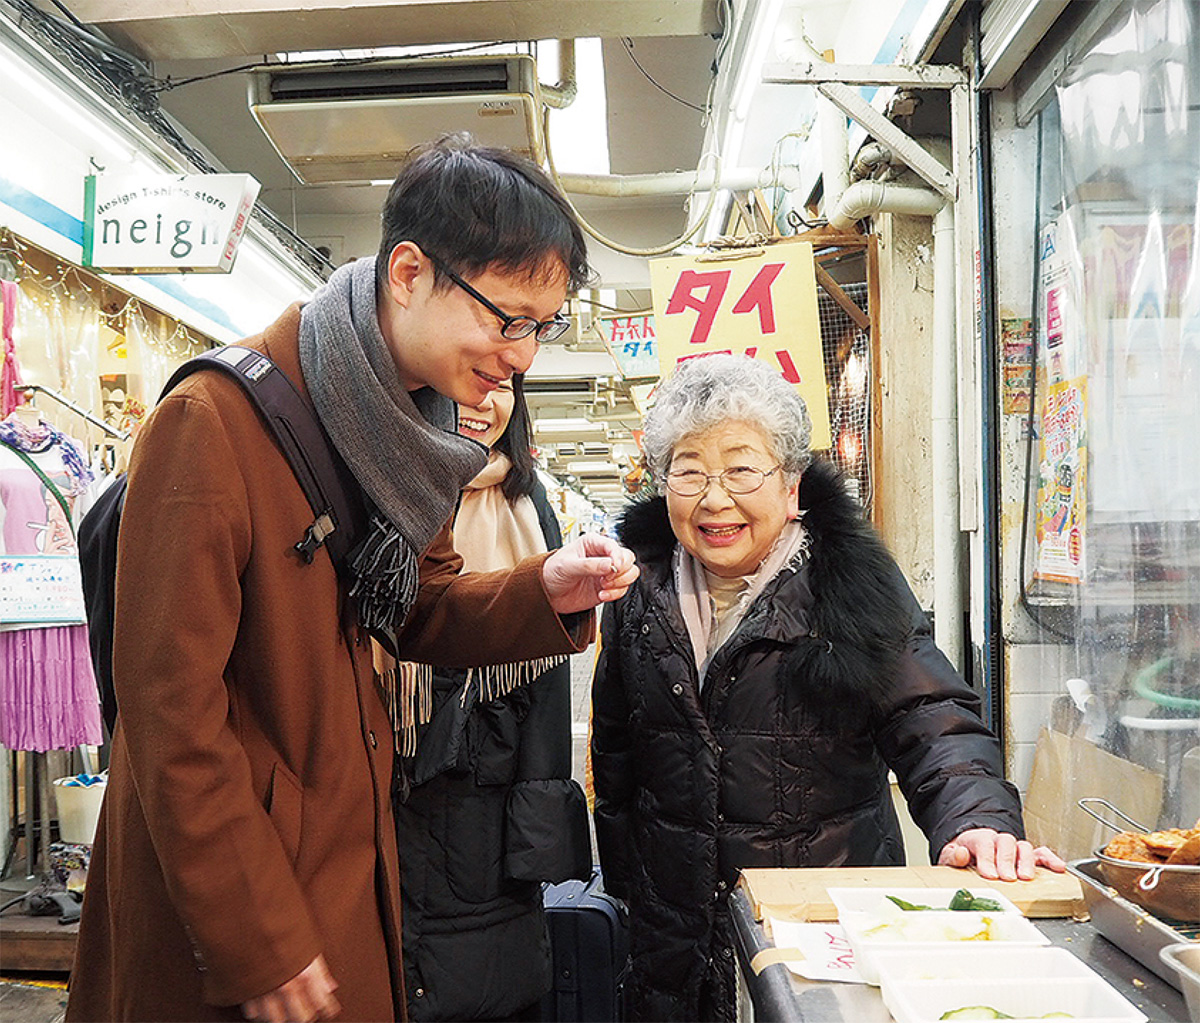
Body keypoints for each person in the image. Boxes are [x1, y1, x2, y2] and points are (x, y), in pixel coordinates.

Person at [66, 136, 637, 1023]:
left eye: (542, 325)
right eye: (508, 318)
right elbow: (169, 714)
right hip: (229, 907)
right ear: (409, 272)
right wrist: (255, 933)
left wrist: (542, 589)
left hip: (345, 869)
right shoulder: (211, 421)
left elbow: (420, 607)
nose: (522, 356)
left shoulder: (410, 436)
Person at [590, 353, 1064, 1023]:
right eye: (689, 471)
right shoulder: (638, 588)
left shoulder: (846, 580)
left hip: (822, 923)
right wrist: (628, 889)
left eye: (741, 469)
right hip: (673, 932)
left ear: (791, 486)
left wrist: (977, 820)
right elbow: (616, 753)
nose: (715, 499)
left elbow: (930, 716)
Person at [390, 373, 589, 1022]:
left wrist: (536, 836)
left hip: (486, 821)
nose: (486, 401)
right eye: (466, 378)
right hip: (382, 796)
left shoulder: (525, 506)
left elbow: (548, 688)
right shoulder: (380, 488)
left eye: (505, 385)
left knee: (484, 989)